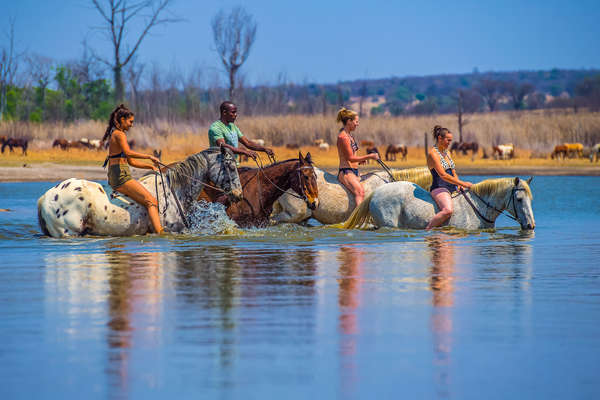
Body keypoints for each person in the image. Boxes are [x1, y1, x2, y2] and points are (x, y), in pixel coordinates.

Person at [101, 104, 163, 234]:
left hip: (118, 174)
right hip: (121, 177)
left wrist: (150, 166)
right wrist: (149, 156)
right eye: (130, 121)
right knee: (151, 201)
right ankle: (160, 233)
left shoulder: (117, 133)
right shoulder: (119, 134)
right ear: (122, 120)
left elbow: (131, 162)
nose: (132, 125)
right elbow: (128, 153)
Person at [426, 125, 473, 230]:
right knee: (448, 210)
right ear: (440, 138)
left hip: (453, 187)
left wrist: (458, 184)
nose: (449, 143)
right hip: (439, 187)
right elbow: (443, 175)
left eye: (451, 140)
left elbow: (453, 171)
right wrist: (463, 184)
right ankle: (428, 230)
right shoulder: (433, 154)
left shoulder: (447, 153)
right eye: (448, 140)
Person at [336, 108, 380, 205]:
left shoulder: (350, 136)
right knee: (360, 193)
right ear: (349, 121)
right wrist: (369, 156)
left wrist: (359, 161)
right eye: (356, 121)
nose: (357, 124)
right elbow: (350, 158)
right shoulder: (343, 137)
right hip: (346, 172)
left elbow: (352, 156)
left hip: (355, 171)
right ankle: (359, 220)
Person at [208, 101, 274, 162]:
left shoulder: (233, 126)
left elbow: (247, 143)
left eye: (236, 112)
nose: (236, 115)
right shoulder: (215, 128)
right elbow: (224, 146)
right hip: (219, 165)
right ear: (224, 112)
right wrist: (245, 152)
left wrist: (264, 149)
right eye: (233, 112)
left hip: (233, 164)